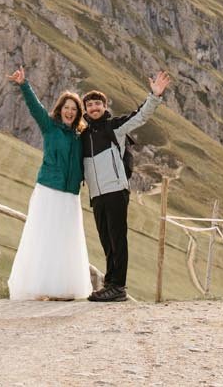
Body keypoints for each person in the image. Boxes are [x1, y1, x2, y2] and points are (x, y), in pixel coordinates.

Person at [79, 69, 171, 302]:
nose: (94, 108)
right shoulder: (83, 135)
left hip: (116, 191)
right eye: (89, 105)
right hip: (97, 195)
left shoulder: (115, 128)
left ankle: (118, 286)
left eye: (98, 104)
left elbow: (140, 116)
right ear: (85, 110)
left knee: (117, 238)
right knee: (106, 240)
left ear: (104, 106)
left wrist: (155, 95)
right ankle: (111, 284)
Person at [5, 65, 93, 300]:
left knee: (66, 240)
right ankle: (39, 287)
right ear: (60, 109)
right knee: (43, 237)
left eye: (74, 109)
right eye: (67, 108)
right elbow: (35, 108)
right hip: (49, 190)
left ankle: (62, 289)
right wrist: (24, 84)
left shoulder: (80, 135)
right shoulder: (49, 126)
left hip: (70, 194)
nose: (70, 112)